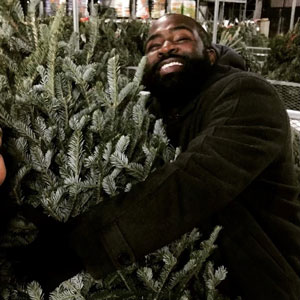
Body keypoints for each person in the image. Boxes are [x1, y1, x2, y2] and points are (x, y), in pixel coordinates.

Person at [11, 14, 300, 299]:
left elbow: (192, 182)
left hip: (258, 282)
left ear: (210, 55)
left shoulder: (245, 94)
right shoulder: (156, 111)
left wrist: (79, 248)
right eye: (154, 45)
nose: (166, 47)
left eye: (182, 38)